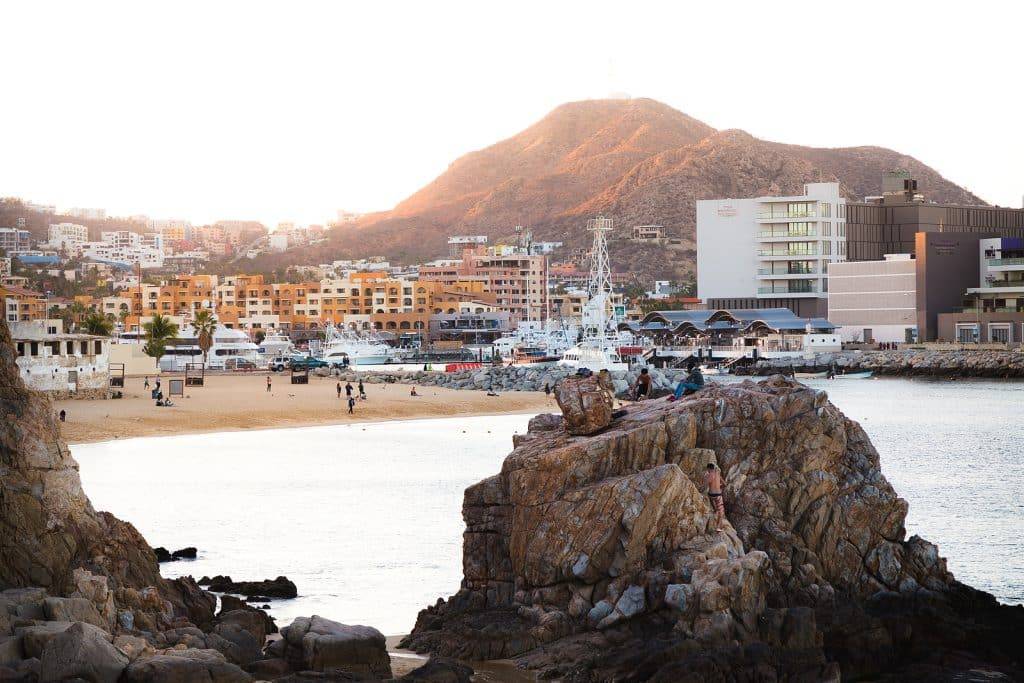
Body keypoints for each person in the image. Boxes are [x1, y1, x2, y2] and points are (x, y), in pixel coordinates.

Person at [704, 462, 726, 532]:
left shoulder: (709, 475)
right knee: (721, 512)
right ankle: (718, 527)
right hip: (718, 495)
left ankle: (715, 509)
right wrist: (719, 486)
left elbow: (705, 485)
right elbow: (725, 484)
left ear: (708, 468)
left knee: (711, 498)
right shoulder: (718, 474)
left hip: (711, 495)